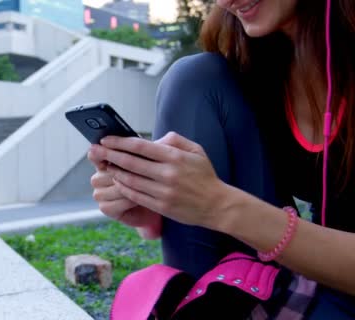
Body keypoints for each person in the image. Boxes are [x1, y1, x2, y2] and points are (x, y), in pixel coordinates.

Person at [88, 0, 355, 318]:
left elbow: (228, 207)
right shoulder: (255, 60)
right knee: (192, 78)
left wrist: (221, 206)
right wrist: (153, 199)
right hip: (310, 282)